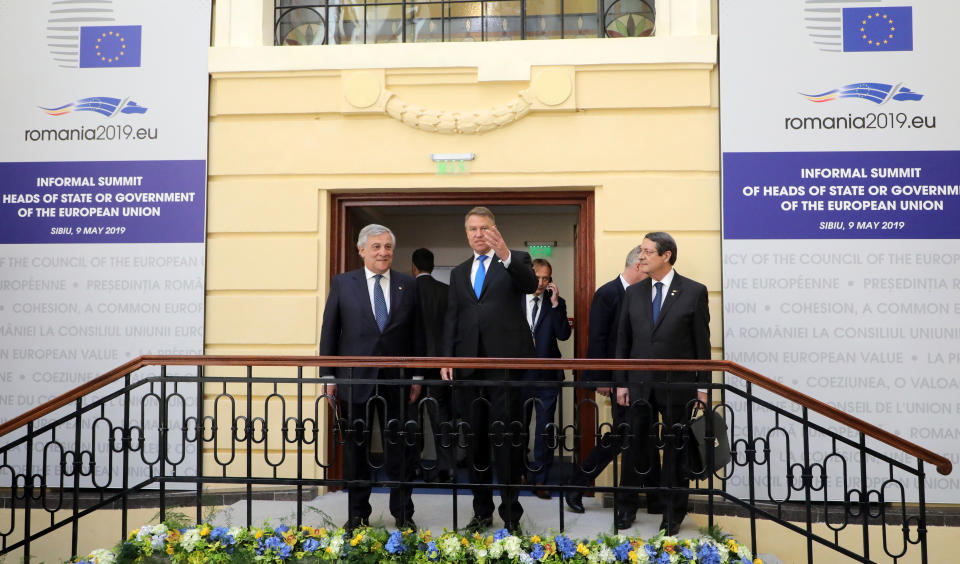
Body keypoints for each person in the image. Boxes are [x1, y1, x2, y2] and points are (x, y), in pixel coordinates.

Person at [319, 224, 424, 532]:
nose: (383, 252)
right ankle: (357, 516)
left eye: (388, 247)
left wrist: (417, 374)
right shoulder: (343, 284)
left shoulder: (409, 284)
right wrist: (328, 376)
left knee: (401, 450)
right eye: (376, 246)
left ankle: (403, 515)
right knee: (355, 451)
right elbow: (330, 331)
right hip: (355, 380)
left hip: (398, 382)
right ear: (362, 250)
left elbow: (418, 333)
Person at [441, 206, 538, 533]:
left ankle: (511, 516)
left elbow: (528, 285)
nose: (478, 233)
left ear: (495, 230)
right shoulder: (458, 272)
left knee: (507, 442)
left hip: (504, 368)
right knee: (476, 444)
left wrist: (506, 253)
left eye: (484, 228)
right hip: (469, 369)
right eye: (472, 229)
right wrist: (448, 359)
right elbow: (452, 318)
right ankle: (481, 512)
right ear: (466, 233)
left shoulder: (517, 259)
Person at [614, 232, 711, 535]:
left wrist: (703, 388)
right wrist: (621, 383)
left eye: (646, 252)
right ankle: (626, 507)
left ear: (666, 255)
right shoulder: (633, 292)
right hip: (639, 385)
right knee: (633, 447)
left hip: (677, 387)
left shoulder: (693, 292)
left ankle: (673, 513)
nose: (640, 257)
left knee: (675, 451)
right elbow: (623, 343)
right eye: (640, 252)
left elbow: (701, 345)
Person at [564, 245, 648, 514]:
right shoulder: (607, 293)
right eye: (646, 269)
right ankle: (577, 485)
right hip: (616, 380)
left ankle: (647, 496)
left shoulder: (641, 294)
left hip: (640, 380)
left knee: (637, 437)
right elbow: (597, 339)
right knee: (622, 437)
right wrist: (599, 377)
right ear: (637, 266)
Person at [522, 258, 571, 498]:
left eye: (546, 278)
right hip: (518, 376)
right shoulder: (513, 301)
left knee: (544, 429)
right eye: (538, 277)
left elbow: (564, 335)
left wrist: (554, 305)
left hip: (547, 378)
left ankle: (540, 479)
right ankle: (519, 472)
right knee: (517, 428)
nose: (541, 283)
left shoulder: (556, 303)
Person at [411, 247, 455, 482]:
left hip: (412, 365)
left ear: (414, 267)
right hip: (440, 363)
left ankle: (414, 465)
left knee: (411, 416)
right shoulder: (446, 291)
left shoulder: (406, 290)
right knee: (441, 416)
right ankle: (446, 467)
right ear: (433, 266)